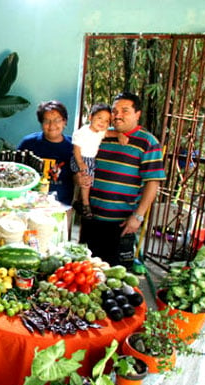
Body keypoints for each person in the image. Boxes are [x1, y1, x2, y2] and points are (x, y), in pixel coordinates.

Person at [79, 92, 165, 269]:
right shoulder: (99, 137)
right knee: (86, 270)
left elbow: (153, 182)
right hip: (92, 218)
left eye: (125, 111)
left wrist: (138, 217)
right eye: (114, 110)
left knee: (114, 276)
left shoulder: (148, 142)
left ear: (137, 114)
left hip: (121, 223)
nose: (117, 115)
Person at [18, 100, 74, 206]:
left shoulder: (73, 147)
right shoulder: (28, 143)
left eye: (57, 120)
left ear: (65, 122)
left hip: (62, 205)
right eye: (46, 121)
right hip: (30, 205)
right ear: (41, 123)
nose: (52, 125)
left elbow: (77, 178)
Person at [70, 103, 120, 218]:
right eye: (99, 118)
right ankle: (85, 204)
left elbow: (110, 133)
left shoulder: (100, 132)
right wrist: (80, 163)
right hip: (81, 159)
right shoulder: (82, 131)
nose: (103, 122)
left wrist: (120, 135)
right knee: (86, 181)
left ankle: (79, 201)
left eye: (107, 121)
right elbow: (76, 149)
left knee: (87, 182)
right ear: (90, 117)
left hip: (90, 160)